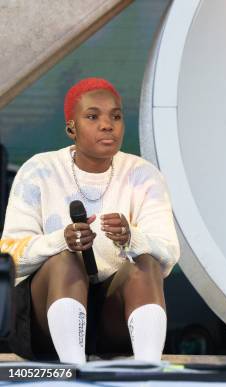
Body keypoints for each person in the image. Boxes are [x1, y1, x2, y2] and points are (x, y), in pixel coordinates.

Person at [0, 78, 180, 364]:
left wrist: (132, 238)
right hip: (45, 320)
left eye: (116, 116)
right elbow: (10, 256)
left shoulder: (144, 175)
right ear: (71, 127)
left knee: (145, 263)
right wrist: (62, 240)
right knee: (64, 260)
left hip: (114, 317)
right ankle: (74, 374)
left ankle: (150, 372)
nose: (107, 125)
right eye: (93, 116)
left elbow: (169, 253)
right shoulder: (39, 170)